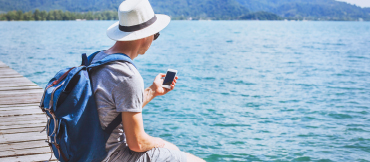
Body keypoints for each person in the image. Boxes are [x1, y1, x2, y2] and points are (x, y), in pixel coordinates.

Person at [90, 0, 205, 161]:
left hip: (85, 150)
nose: (153, 39)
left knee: (175, 152)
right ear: (145, 36)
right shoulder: (128, 75)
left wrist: (152, 90)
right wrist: (161, 143)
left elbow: (113, 109)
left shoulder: (96, 59)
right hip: (109, 156)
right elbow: (137, 143)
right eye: (155, 34)